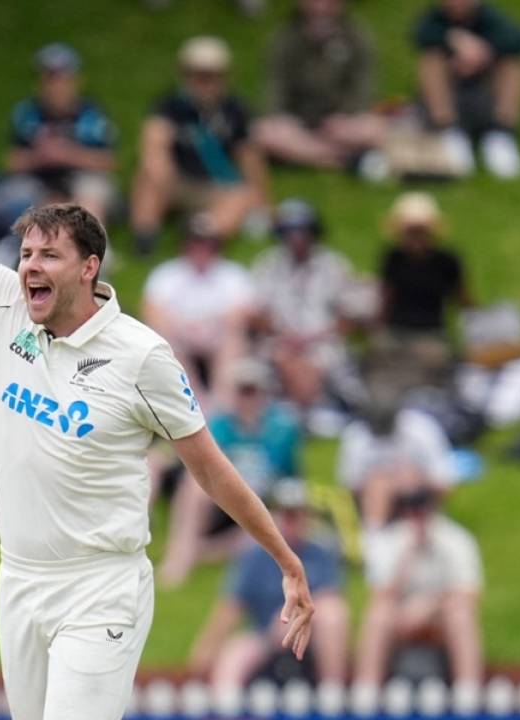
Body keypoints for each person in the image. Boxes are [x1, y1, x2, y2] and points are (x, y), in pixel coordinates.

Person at [0, 22, 314, 720]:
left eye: (48, 256)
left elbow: (211, 468)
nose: (28, 267)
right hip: (19, 579)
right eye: (25, 254)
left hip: (102, 586)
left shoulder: (141, 354)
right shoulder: (2, 303)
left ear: (90, 268)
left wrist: (287, 561)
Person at [157, 359, 303, 588]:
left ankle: (205, 552)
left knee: (281, 522)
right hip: (222, 498)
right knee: (194, 487)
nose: (247, 398)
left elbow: (289, 473)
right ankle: (180, 553)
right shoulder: (219, 423)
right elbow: (203, 464)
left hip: (261, 498)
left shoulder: (282, 427)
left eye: (252, 390)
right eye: (242, 390)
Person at [189, 481, 348, 690]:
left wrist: (294, 619)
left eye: (297, 514)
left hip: (310, 632)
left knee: (333, 615)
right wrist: (200, 660)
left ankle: (333, 690)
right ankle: (224, 703)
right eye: (286, 514)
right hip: (265, 634)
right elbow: (230, 609)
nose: (292, 521)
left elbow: (331, 597)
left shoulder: (321, 551)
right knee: (234, 655)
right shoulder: (253, 556)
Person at [130, 36, 269, 254]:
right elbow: (153, 146)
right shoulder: (170, 106)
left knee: (240, 196)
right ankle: (145, 237)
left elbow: (249, 157)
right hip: (176, 180)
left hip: (215, 185)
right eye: (198, 75)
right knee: (147, 177)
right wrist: (162, 176)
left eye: (212, 76)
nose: (205, 83)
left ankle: (201, 237)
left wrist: (263, 201)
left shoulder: (236, 111)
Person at [355, 486, 483, 688]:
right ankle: (367, 686)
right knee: (378, 615)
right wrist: (407, 556)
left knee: (460, 616)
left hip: (440, 616)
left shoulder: (457, 539)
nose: (420, 518)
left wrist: (429, 607)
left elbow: (468, 594)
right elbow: (381, 594)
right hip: (400, 615)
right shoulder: (391, 540)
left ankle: (468, 687)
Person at [253, 0, 387, 175]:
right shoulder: (285, 38)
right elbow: (276, 88)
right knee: (262, 132)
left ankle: (306, 155)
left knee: (376, 129)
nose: (321, 7)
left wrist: (344, 116)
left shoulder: (356, 36)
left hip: (342, 124)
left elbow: (363, 87)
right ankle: (340, 159)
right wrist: (283, 117)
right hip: (298, 125)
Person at [250, 199, 361, 410]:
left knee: (326, 360)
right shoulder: (267, 265)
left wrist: (313, 337)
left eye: (302, 230)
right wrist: (286, 336)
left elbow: (347, 317)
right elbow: (257, 315)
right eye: (289, 231)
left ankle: (313, 410)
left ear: (313, 232)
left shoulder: (333, 265)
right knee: (275, 357)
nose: (296, 237)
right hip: (280, 340)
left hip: (323, 341)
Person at [141, 216, 255, 410]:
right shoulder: (166, 274)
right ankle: (194, 402)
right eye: (196, 243)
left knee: (233, 340)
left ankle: (222, 406)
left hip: (218, 336)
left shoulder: (232, 274)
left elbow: (244, 313)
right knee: (165, 340)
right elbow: (151, 312)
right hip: (180, 336)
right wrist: (184, 330)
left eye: (207, 244)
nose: (201, 249)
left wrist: (212, 328)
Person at [0, 43, 117, 224]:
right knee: (15, 199)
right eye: (50, 79)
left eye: (63, 79)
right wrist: (39, 156)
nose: (56, 86)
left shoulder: (92, 114)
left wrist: (67, 154)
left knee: (90, 195)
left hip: (82, 178)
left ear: (76, 81)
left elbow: (108, 161)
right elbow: (11, 162)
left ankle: (93, 241)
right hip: (38, 180)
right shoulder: (27, 114)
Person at [412, 0, 520, 178]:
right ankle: (449, 134)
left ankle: (501, 135)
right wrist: (453, 39)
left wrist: (482, 51)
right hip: (450, 94)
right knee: (431, 61)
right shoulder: (434, 19)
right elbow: (420, 36)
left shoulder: (490, 17)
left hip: (483, 92)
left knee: (513, 64)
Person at [373, 192, 474, 396]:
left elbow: (461, 298)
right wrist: (376, 328)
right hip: (396, 330)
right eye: (411, 231)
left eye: (420, 231)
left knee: (430, 362)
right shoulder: (393, 257)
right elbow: (386, 296)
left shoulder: (447, 261)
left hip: (431, 332)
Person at [337, 402, 456, 529]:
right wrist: (386, 482)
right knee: (379, 484)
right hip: (378, 514)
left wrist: (412, 479)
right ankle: (374, 533)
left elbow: (445, 486)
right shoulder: (356, 433)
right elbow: (349, 488)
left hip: (423, 516)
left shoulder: (422, 427)